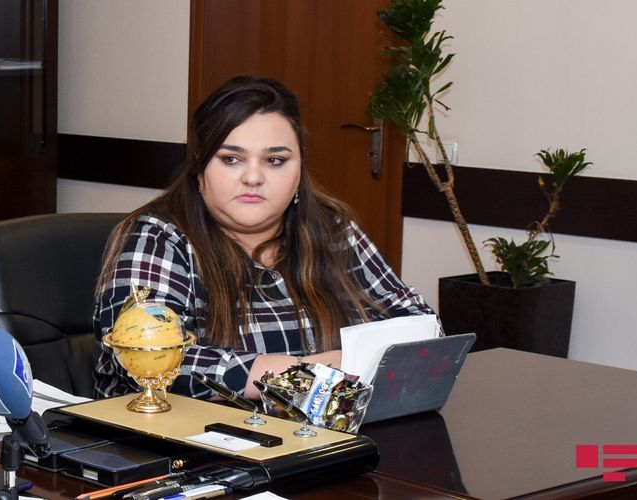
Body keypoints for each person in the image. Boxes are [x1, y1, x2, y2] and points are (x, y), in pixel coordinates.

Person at [93, 75, 434, 400]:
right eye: (231, 159)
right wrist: (312, 374)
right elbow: (146, 354)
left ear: (300, 168)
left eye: (274, 160)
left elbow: (422, 329)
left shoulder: (332, 228)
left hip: (317, 434)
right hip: (189, 437)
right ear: (199, 165)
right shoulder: (158, 237)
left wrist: (336, 369)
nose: (253, 177)